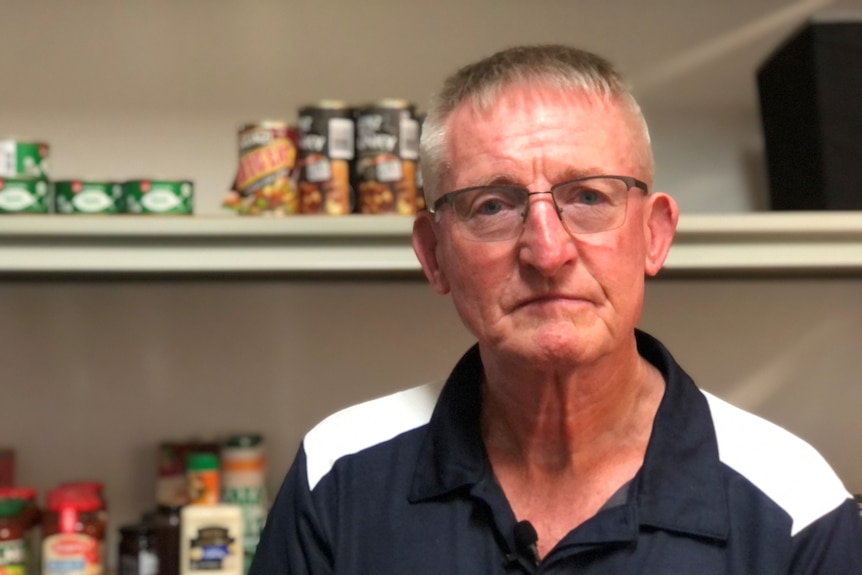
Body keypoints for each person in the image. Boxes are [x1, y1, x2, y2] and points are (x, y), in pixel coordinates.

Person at [250, 44, 862, 573]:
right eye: (493, 205)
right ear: (433, 255)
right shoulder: (337, 476)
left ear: (654, 234)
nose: (547, 251)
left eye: (589, 196)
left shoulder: (794, 505)